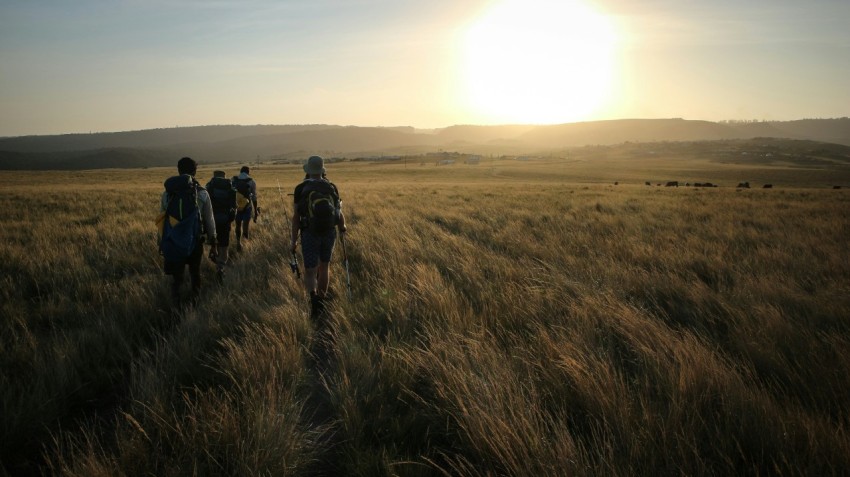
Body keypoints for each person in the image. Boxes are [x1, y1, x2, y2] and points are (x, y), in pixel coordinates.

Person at [290, 155, 346, 320]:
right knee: (325, 266)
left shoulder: (300, 188)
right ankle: (321, 300)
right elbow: (338, 212)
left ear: (308, 170)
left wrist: (293, 240)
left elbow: (296, 217)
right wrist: (343, 227)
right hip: (329, 231)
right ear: (322, 170)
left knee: (310, 269)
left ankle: (313, 298)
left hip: (309, 232)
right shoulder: (331, 187)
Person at [160, 157, 217, 306]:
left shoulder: (167, 194)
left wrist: (162, 243)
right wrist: (214, 242)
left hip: (173, 241)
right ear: (195, 172)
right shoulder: (202, 193)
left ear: (178, 171)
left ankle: (175, 307)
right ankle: (195, 303)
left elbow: (162, 221)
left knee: (177, 278)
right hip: (195, 240)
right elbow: (209, 220)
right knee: (195, 273)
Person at [205, 170, 237, 283]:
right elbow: (234, 207)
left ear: (214, 176)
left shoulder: (209, 186)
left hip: (211, 222)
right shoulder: (230, 188)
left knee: (214, 243)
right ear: (224, 176)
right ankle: (221, 267)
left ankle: (216, 260)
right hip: (225, 221)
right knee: (224, 245)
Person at [232, 165, 259, 251]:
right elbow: (254, 197)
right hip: (247, 207)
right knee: (245, 226)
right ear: (248, 172)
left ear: (240, 171)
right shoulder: (251, 181)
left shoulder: (234, 180)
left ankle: (238, 242)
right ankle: (245, 243)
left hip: (236, 206)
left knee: (238, 225)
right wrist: (255, 211)